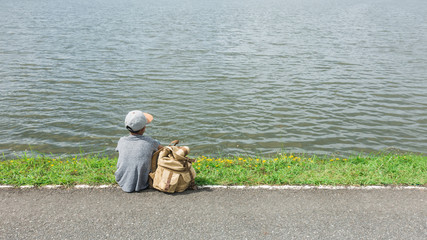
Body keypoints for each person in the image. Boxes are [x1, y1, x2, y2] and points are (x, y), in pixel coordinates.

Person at [115, 110, 163, 192]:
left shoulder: (121, 141)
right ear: (144, 128)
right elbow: (163, 150)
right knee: (156, 148)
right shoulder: (151, 142)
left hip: (121, 180)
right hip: (142, 183)